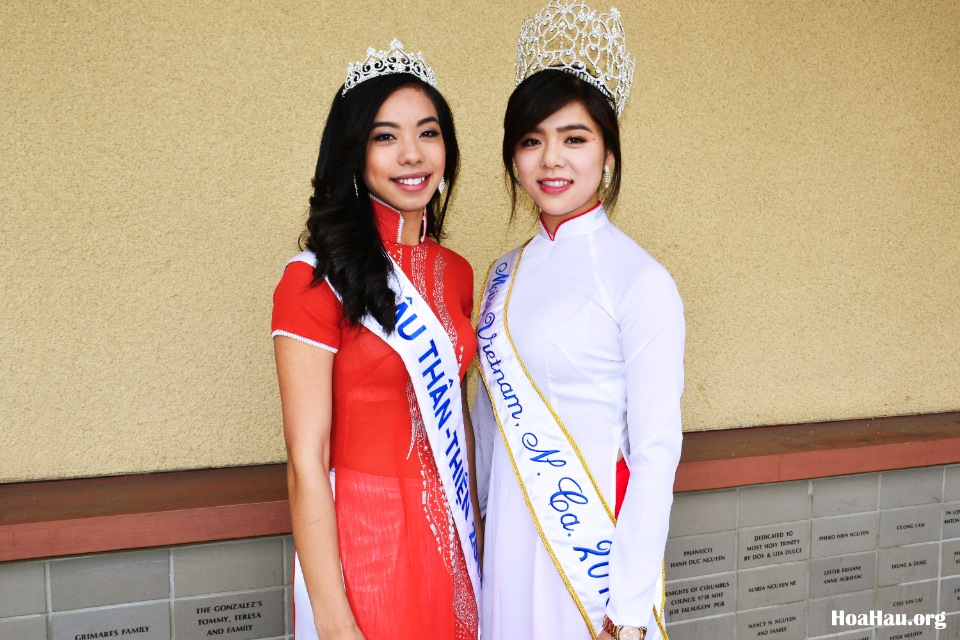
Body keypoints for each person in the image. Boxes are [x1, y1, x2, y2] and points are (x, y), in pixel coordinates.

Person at [473, 2, 684, 639]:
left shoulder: (640, 280)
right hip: (509, 540)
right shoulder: (501, 275)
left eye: (574, 138)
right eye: (532, 141)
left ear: (608, 154)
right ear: (514, 160)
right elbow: (489, 427)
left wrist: (628, 603)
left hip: (593, 558)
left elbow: (655, 452)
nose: (551, 160)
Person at [272, 40, 480, 640]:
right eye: (385, 136)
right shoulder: (312, 279)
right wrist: (335, 624)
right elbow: (304, 463)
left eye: (428, 132)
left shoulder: (459, 273)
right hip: (365, 539)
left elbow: (456, 418)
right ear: (354, 153)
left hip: (451, 535)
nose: (412, 154)